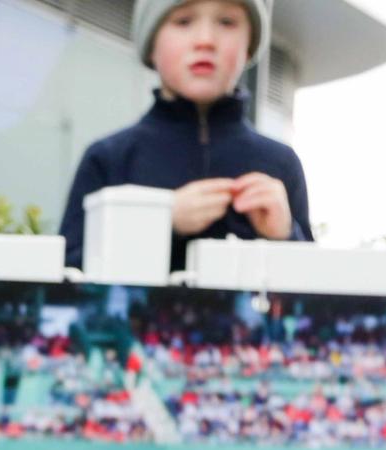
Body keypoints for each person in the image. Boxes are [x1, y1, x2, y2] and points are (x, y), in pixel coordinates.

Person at [58, 0, 309, 271]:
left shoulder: (280, 164)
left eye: (227, 22)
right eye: (183, 21)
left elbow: (316, 293)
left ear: (250, 46)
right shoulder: (109, 158)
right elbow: (66, 278)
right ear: (151, 42)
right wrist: (161, 222)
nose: (205, 40)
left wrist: (286, 234)